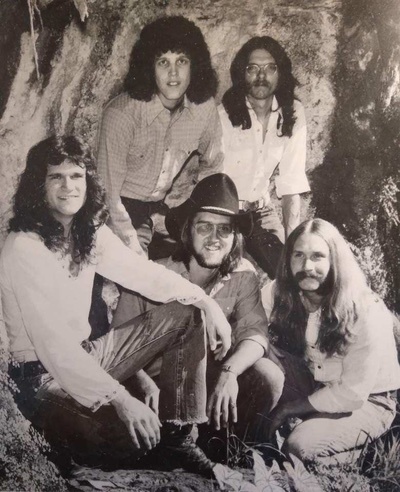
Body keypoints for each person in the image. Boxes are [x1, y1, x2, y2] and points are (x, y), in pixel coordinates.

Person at [0, 135, 233, 476]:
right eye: (56, 177)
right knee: (131, 438)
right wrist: (121, 399)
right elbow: (55, 349)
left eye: (76, 176)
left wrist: (205, 301)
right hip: (40, 380)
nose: (68, 186)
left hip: (88, 356)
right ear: (39, 185)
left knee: (187, 313)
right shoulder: (25, 247)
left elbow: (143, 274)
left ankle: (177, 438)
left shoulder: (88, 232)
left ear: (88, 181)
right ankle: (67, 447)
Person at [112, 173, 278, 459]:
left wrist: (230, 373)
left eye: (224, 229)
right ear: (187, 230)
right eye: (205, 227)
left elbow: (255, 333)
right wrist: (142, 382)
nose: (214, 238)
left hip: (209, 384)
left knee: (267, 377)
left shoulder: (243, 275)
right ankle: (168, 448)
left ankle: (225, 450)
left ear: (235, 237)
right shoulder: (152, 275)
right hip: (154, 387)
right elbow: (117, 346)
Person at [259, 218, 400, 462]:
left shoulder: (365, 309)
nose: (307, 266)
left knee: (298, 449)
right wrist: (264, 345)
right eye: (298, 255)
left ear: (335, 260)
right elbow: (249, 324)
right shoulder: (280, 290)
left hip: (367, 400)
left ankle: (366, 451)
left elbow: (352, 393)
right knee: (257, 363)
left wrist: (290, 407)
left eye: (317, 256)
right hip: (314, 381)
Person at [97, 15, 223, 259]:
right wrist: (133, 250)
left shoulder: (204, 108)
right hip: (123, 209)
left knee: (206, 259)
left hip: (164, 208)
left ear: (194, 65)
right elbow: (107, 196)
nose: (173, 73)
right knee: (137, 271)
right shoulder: (121, 114)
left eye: (182, 61)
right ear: (149, 68)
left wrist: (199, 213)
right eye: (163, 62)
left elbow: (213, 167)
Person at [219, 36, 310, 279]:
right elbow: (214, 179)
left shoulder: (293, 113)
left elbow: (291, 183)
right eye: (253, 68)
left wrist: (292, 243)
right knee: (227, 280)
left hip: (260, 214)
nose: (262, 76)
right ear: (242, 73)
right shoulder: (224, 115)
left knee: (291, 275)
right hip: (225, 213)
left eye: (270, 68)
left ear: (281, 74)